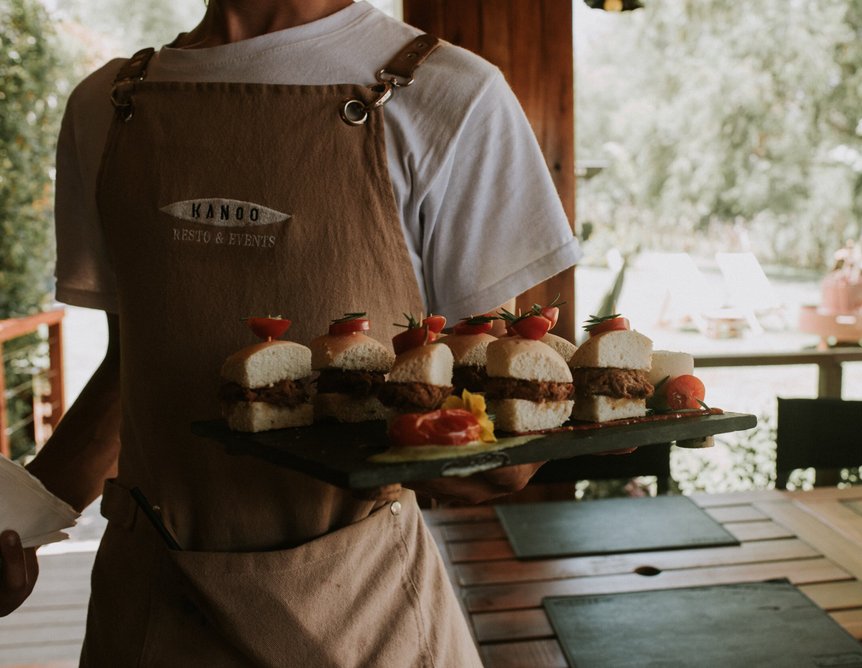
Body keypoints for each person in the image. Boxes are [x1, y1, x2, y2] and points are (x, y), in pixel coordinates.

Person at [0, 1, 581, 665]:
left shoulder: (452, 96)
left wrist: (493, 455)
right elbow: (134, 371)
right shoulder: (107, 105)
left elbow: (498, 389)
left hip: (363, 616)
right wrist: (14, 524)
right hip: (151, 613)